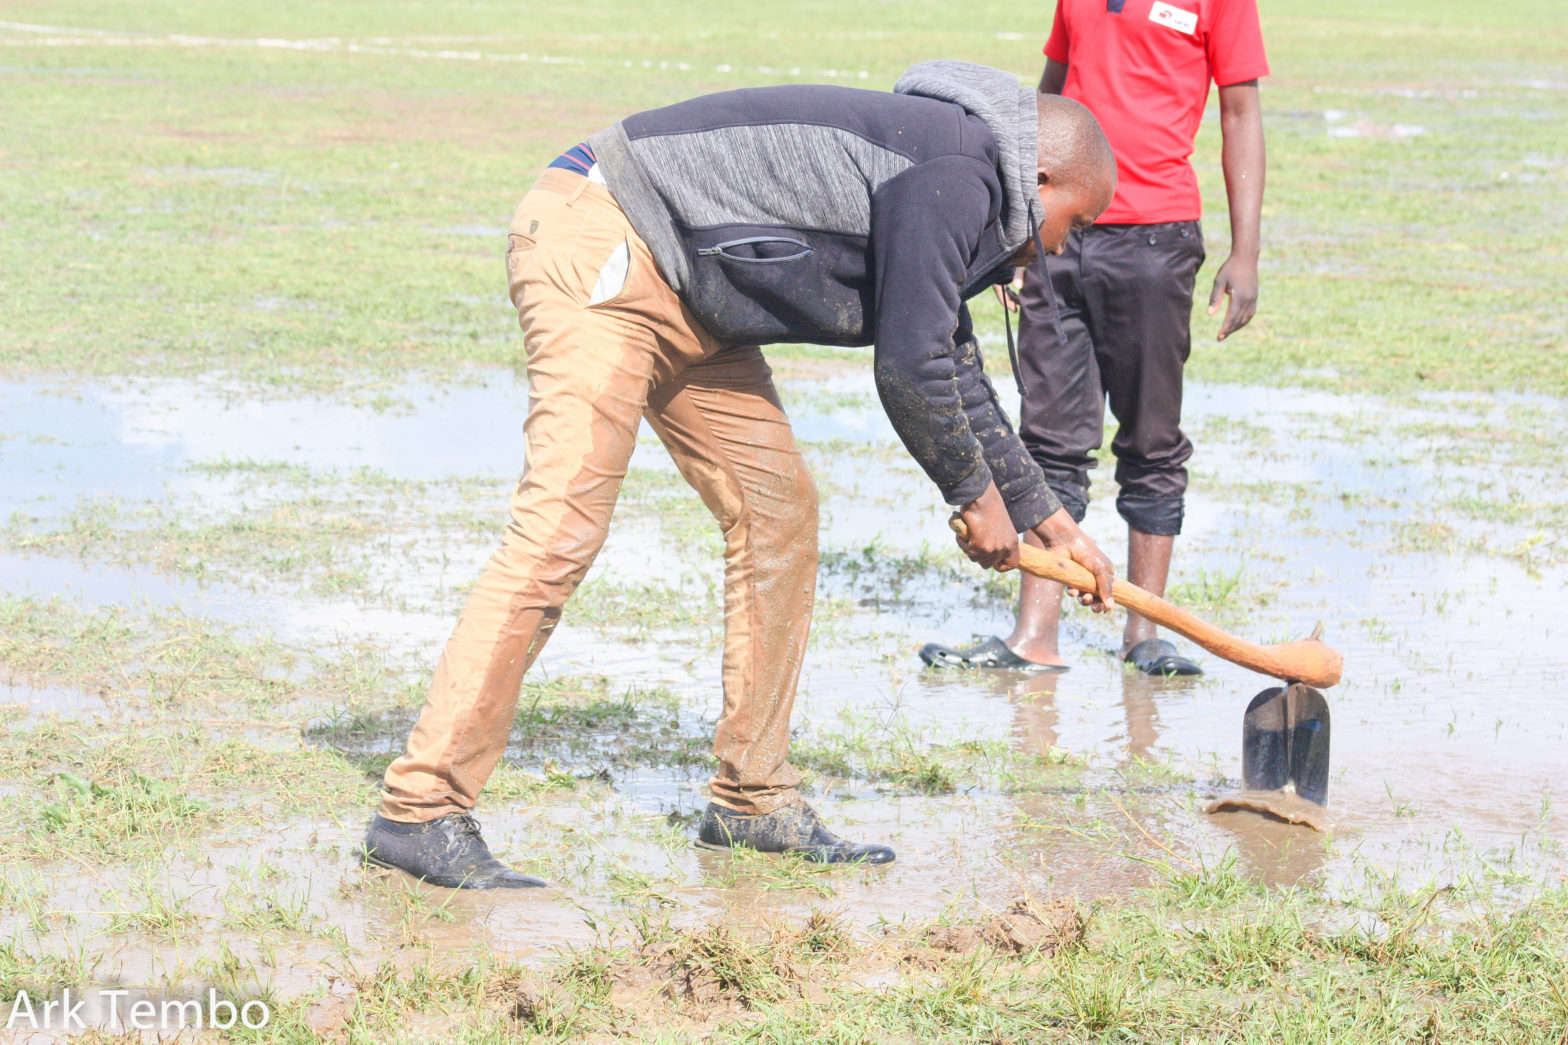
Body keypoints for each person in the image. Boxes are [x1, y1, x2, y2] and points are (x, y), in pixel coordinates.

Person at [361, 60, 1121, 889]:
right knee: (560, 528)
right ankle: (420, 807)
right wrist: (974, 497)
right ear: (1040, 177)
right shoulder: (958, 174)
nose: (1061, 244)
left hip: (697, 292)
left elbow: (948, 352)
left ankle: (752, 799)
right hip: (610, 235)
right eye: (1073, 221)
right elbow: (908, 366)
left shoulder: (965, 177)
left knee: (780, 513)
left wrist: (1047, 517)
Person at [920, 0, 1267, 676]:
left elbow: (1240, 111)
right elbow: (1046, 105)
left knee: (1152, 438)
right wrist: (1009, 236)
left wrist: (1246, 250)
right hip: (1060, 235)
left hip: (1156, 238)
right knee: (1046, 434)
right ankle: (1033, 636)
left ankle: (1145, 635)